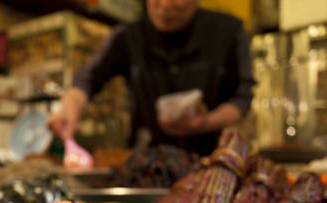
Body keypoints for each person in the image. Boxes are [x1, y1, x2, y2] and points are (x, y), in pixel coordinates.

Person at [48, 0, 255, 156]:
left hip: (209, 161)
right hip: (145, 161)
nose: (164, 5)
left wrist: (205, 122)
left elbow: (242, 98)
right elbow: (88, 78)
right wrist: (69, 106)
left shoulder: (229, 31)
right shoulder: (127, 36)